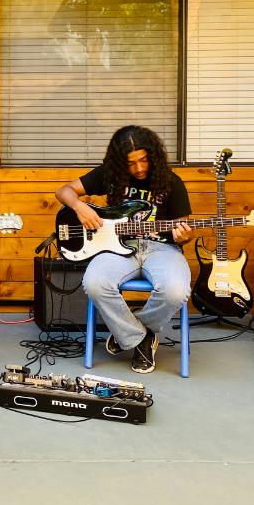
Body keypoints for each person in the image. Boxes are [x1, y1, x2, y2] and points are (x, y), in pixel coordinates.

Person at [54, 125, 192, 374]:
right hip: (116, 247)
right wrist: (79, 207)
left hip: (162, 248)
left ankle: (129, 332)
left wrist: (183, 237)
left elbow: (182, 234)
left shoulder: (172, 182)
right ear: (120, 163)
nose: (139, 168)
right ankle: (142, 339)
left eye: (143, 160)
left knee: (176, 291)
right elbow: (63, 191)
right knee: (95, 283)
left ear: (153, 156)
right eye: (131, 163)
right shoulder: (110, 175)